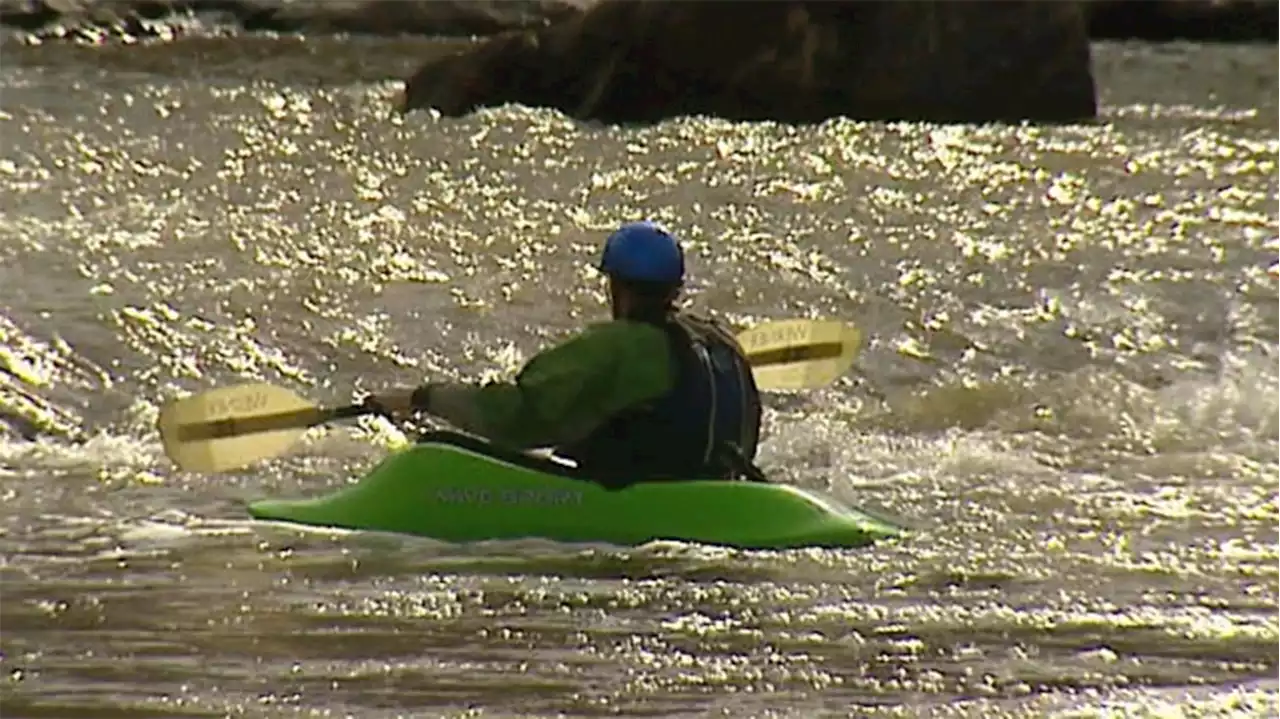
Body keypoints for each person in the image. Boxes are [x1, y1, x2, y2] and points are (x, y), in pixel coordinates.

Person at [369, 220, 765, 484]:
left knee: (436, 449)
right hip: (714, 486)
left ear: (618, 287)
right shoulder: (720, 341)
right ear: (675, 288)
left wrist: (424, 398)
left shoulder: (621, 347)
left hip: (641, 493)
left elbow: (519, 415)